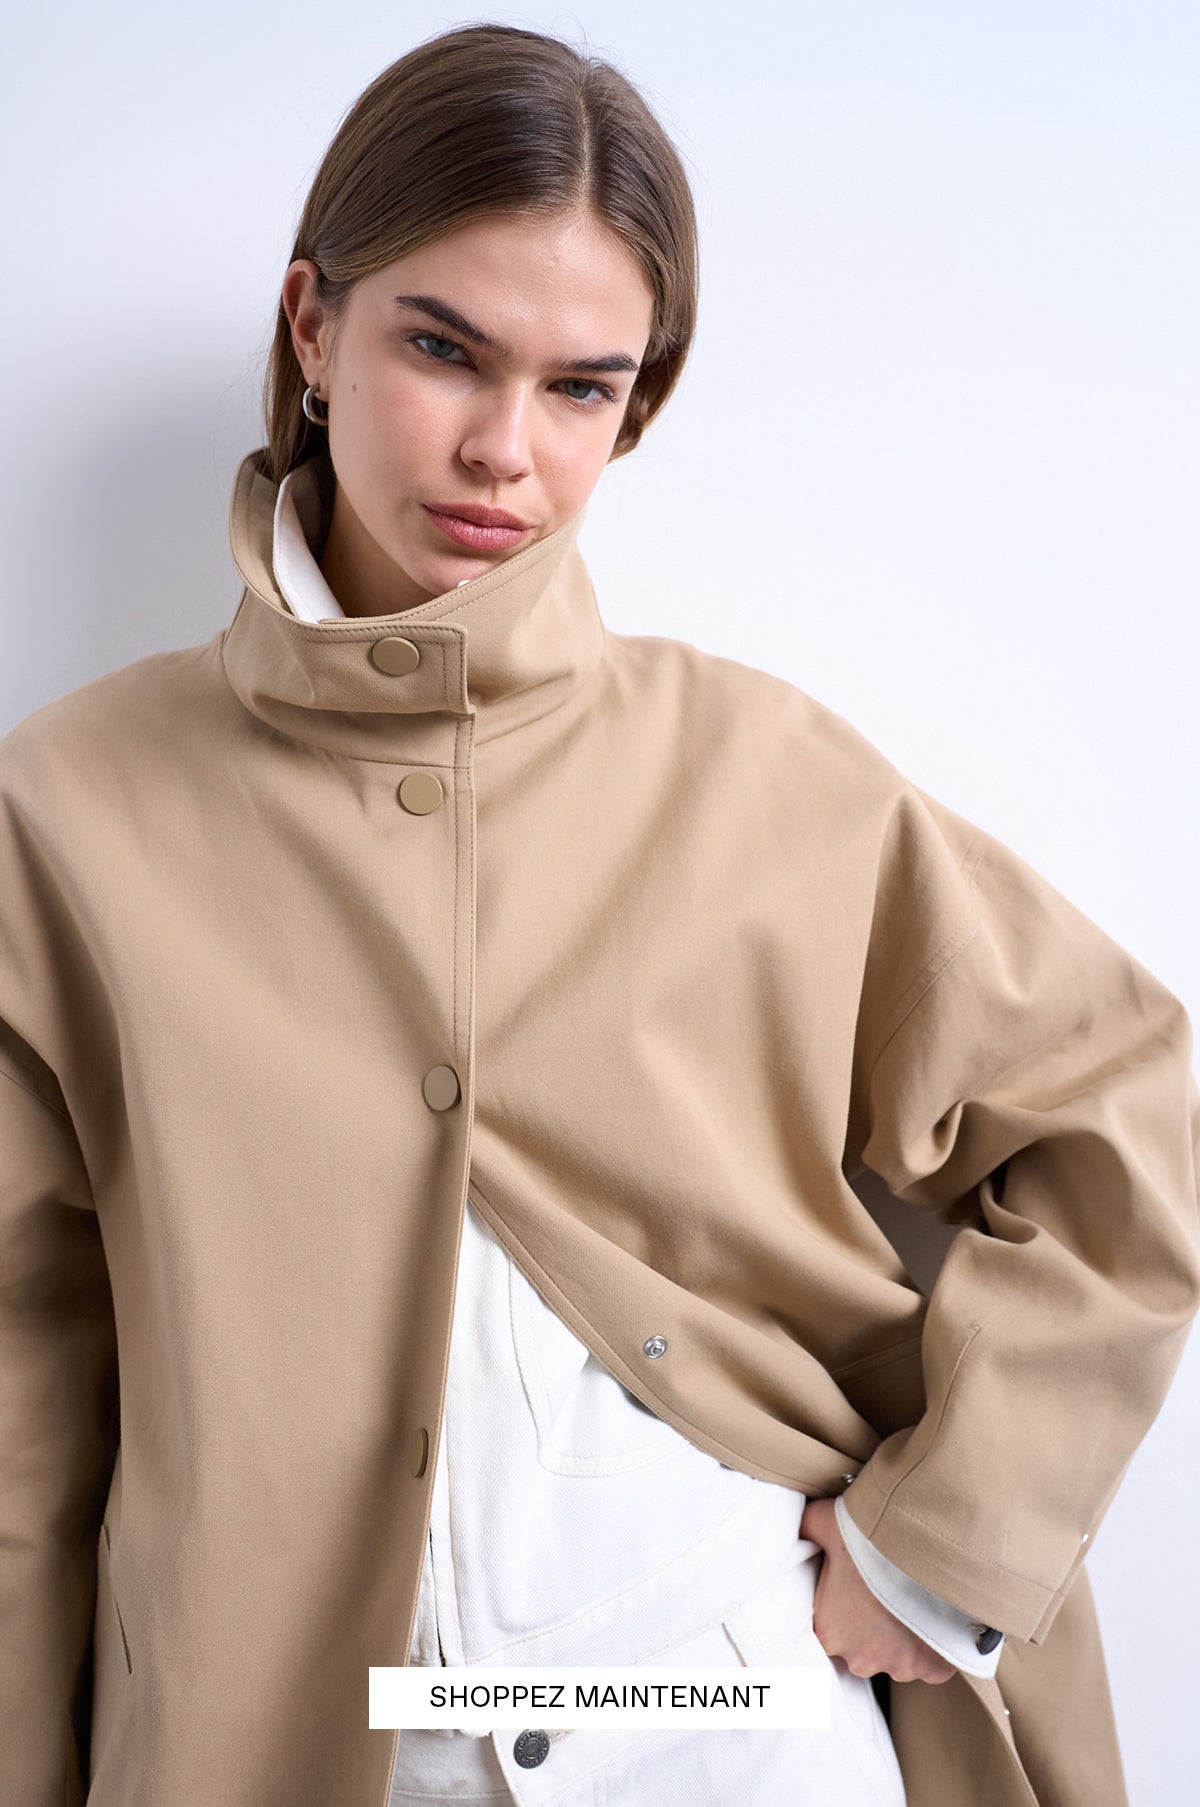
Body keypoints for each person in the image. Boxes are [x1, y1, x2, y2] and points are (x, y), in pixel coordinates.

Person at [1, 22, 1196, 1807]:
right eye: (443, 348)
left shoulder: (764, 773)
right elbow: (23, 1409)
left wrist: (939, 1543)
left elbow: (1123, 1109)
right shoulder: (70, 810)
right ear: (313, 326)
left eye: (580, 387)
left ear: (640, 402)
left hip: (738, 1713)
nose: (505, 449)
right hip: (308, 1745)